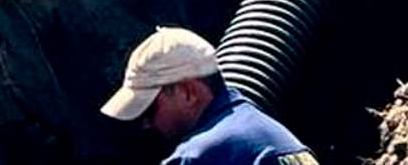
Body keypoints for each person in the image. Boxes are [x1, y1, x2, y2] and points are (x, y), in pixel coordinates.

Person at [100, 27, 319, 165]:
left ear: (189, 92)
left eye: (150, 109)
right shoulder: (268, 135)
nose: (146, 124)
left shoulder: (199, 156)